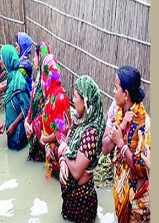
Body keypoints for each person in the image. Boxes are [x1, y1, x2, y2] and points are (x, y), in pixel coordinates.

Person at [102, 65, 151, 223]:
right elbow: (105, 148)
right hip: (122, 192)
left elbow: (143, 167)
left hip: (137, 201)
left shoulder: (143, 123)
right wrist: (122, 126)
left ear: (126, 94)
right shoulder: (117, 113)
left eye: (116, 88)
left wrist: (121, 145)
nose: (113, 92)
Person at [57, 75, 105, 223]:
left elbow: (77, 172)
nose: (73, 99)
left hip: (82, 201)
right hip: (69, 197)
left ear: (84, 101)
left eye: (76, 96)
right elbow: (68, 150)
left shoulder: (91, 132)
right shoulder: (78, 121)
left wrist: (64, 151)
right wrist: (63, 162)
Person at [39, 54, 72, 179]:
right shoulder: (49, 97)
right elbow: (45, 125)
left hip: (60, 156)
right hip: (50, 152)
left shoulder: (60, 99)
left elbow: (61, 132)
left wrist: (45, 140)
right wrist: (47, 146)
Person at [0, 45, 30, 151]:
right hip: (12, 129)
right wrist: (5, 122)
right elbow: (11, 105)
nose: (0, 62)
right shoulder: (11, 77)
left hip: (18, 132)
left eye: (2, 59)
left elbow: (26, 108)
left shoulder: (19, 82)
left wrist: (13, 125)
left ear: (7, 60)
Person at [24, 42, 52, 162]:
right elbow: (32, 104)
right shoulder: (37, 81)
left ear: (41, 57)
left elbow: (47, 112)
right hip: (33, 132)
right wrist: (26, 121)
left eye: (35, 56)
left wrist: (33, 125)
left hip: (43, 137)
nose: (33, 59)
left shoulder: (49, 84)